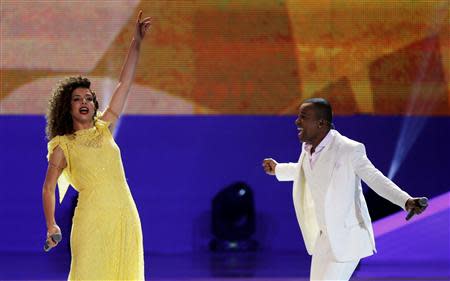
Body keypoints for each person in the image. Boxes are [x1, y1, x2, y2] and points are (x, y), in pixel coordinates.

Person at [262, 98, 427, 281]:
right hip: (324, 238)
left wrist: (405, 200)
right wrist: (278, 169)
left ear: (321, 123)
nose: (297, 121)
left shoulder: (349, 149)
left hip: (347, 238)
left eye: (303, 117)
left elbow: (375, 179)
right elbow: (303, 170)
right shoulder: (308, 149)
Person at [41, 11, 151, 280]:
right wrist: (51, 224)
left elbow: (125, 83)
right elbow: (48, 187)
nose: (85, 102)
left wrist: (136, 43)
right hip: (92, 221)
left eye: (89, 98)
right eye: (78, 98)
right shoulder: (63, 146)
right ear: (67, 107)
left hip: (125, 215)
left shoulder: (105, 128)